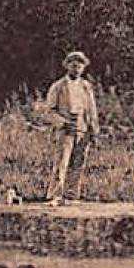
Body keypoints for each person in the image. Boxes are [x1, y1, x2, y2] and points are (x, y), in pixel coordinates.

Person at [43, 50, 100, 205]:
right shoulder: (58, 86)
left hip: (82, 128)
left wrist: (94, 129)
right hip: (65, 130)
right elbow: (49, 111)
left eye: (80, 64)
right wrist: (62, 122)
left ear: (84, 67)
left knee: (78, 162)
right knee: (62, 162)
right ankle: (55, 195)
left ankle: (72, 194)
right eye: (73, 64)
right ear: (67, 66)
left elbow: (91, 110)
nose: (76, 67)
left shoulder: (86, 87)